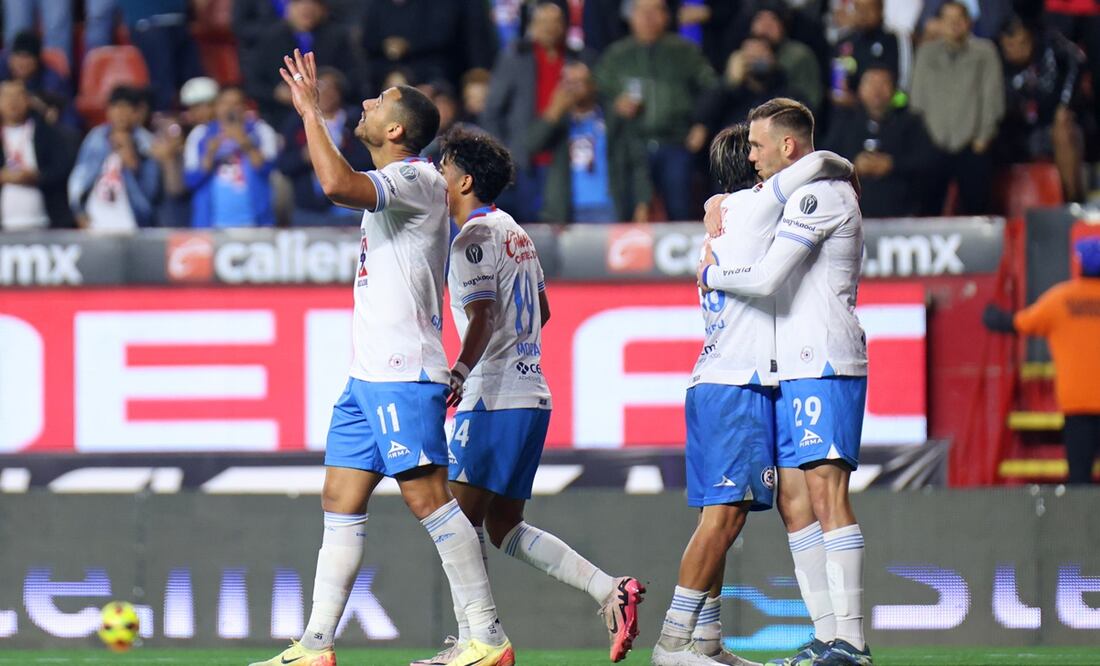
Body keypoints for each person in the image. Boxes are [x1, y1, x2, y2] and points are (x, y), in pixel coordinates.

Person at [249, 49, 513, 666]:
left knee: (429, 500)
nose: (365, 104)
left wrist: (312, 111)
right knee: (340, 500)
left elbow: (336, 185)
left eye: (377, 102)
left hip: (402, 373)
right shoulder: (396, 188)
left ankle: (486, 635)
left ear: (396, 130)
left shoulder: (416, 178)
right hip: (367, 378)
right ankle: (316, 646)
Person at [410, 126, 645, 666]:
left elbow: (483, 313)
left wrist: (461, 369)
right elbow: (542, 311)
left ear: (464, 180)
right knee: (502, 526)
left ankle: (481, 638)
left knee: (456, 524)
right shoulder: (516, 231)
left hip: (492, 398)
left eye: (443, 170)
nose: (438, 178)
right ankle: (610, 590)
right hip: (532, 392)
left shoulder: (470, 239)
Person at [652, 126, 851, 666]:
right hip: (733, 385)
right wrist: (836, 160)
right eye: (760, 149)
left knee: (731, 517)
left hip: (737, 380)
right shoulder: (754, 208)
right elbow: (803, 176)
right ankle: (671, 645)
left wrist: (712, 198)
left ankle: (708, 643)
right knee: (722, 520)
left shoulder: (729, 214)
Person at [697, 99, 871, 666]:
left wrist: (708, 274)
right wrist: (716, 202)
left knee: (827, 495)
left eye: (756, 144)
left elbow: (771, 277)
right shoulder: (800, 190)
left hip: (823, 357)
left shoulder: (822, 194)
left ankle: (852, 640)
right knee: (798, 502)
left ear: (788, 147)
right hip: (792, 366)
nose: (750, 155)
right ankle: (827, 636)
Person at [983, 237, 1100, 484]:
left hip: (1077, 406)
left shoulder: (1060, 300)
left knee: (1079, 481)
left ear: (1079, 264)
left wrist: (991, 316)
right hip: (1081, 405)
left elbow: (1017, 323)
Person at [595, 0, 717, 222]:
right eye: (642, 11)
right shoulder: (616, 56)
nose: (649, 17)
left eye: (656, 11)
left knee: (680, 212)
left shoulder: (685, 51)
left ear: (666, 16)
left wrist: (702, 124)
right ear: (630, 16)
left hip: (676, 143)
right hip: (631, 147)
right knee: (628, 212)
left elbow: (710, 88)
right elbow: (598, 96)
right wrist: (615, 105)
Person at [482, 0, 590, 222]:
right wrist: (504, 153)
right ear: (532, 25)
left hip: (567, 160)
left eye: (556, 22)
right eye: (543, 22)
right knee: (528, 227)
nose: (550, 27)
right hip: (525, 161)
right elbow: (492, 111)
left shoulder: (578, 58)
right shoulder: (515, 57)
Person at [526, 61, 652, 223]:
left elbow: (637, 163)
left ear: (593, 85)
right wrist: (553, 112)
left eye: (579, 82)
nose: (573, 89)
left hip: (609, 208)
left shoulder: (614, 118)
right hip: (568, 212)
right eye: (568, 83)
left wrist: (642, 204)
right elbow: (530, 146)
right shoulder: (559, 122)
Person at [909, 1, 1004, 215]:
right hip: (933, 143)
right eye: (948, 19)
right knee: (926, 210)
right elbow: (917, 99)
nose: (954, 24)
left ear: (969, 22)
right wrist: (923, 140)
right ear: (939, 23)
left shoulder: (985, 52)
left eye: (959, 19)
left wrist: (983, 137)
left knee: (977, 210)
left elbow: (993, 98)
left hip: (973, 144)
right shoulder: (926, 53)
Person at [822, 66, 936, 218]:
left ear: (894, 90)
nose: (877, 90)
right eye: (870, 83)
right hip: (848, 218)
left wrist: (892, 165)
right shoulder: (844, 122)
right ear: (860, 89)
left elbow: (929, 162)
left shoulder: (911, 123)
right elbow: (823, 161)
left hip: (902, 215)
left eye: (883, 83)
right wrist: (852, 166)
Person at [996, 16, 1087, 202]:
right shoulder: (995, 62)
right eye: (1010, 46)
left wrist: (1065, 103)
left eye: (1022, 43)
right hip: (1013, 133)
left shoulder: (1049, 48)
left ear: (1031, 38)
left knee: (1064, 129)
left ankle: (1073, 202)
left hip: (1048, 126)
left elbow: (1078, 58)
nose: (1017, 50)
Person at [244, 0, 368, 129]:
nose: (307, 8)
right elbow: (253, 83)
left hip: (333, 115)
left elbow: (356, 77)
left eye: (313, 3)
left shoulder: (338, 37)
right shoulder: (269, 39)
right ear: (288, 8)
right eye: (300, 3)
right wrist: (275, 92)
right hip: (281, 116)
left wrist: (332, 87)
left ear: (323, 9)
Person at [277, 67, 373, 226]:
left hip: (350, 209)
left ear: (340, 92)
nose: (326, 93)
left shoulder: (357, 120)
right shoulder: (296, 122)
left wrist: (335, 155)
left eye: (332, 88)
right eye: (321, 88)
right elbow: (284, 165)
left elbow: (369, 159)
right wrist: (303, 156)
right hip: (307, 211)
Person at [183, 86, 278, 228]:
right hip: (211, 225)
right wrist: (209, 154)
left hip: (256, 224)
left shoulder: (261, 130)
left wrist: (247, 145)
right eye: (225, 103)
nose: (230, 108)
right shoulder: (200, 134)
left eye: (236, 103)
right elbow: (191, 180)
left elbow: (267, 169)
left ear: (245, 107)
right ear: (216, 107)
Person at [68, 86, 160, 230]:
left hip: (132, 225)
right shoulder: (96, 138)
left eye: (127, 108)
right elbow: (79, 177)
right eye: (116, 107)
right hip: (95, 223)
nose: (121, 113)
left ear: (137, 113)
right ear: (108, 111)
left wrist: (134, 163)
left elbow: (152, 191)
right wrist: (78, 212)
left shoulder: (147, 143)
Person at [0, 80, 73, 230]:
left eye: (18, 96)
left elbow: (62, 169)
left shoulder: (47, 133)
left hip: (45, 223)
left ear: (28, 101)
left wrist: (37, 177)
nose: (12, 101)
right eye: (6, 96)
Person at [749, 3, 822, 111]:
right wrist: (732, 83)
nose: (765, 26)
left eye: (773, 19)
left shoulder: (798, 56)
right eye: (760, 18)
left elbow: (807, 106)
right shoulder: (741, 54)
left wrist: (774, 73)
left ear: (783, 27)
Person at [831, 0, 906, 103]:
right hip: (848, 109)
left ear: (880, 9)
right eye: (859, 8)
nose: (863, 14)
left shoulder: (893, 40)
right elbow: (836, 86)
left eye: (868, 9)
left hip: (886, 108)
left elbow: (901, 88)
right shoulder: (844, 42)